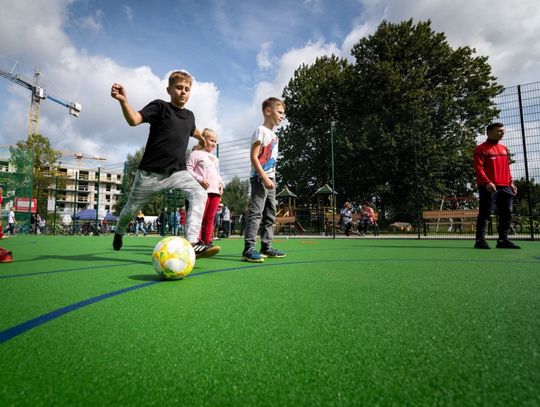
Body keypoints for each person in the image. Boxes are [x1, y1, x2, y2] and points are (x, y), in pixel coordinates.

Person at [110, 70, 219, 258]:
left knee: (199, 192)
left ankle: (192, 242)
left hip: (177, 173)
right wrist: (123, 101)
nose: (183, 92)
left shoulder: (190, 116)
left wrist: (204, 140)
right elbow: (134, 120)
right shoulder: (160, 107)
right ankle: (119, 231)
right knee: (131, 210)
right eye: (179, 88)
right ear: (169, 90)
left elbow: (195, 131)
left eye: (187, 89)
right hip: (149, 174)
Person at [242, 97, 286, 262]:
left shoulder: (275, 136)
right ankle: (249, 248)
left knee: (270, 214)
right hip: (260, 179)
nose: (282, 116)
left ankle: (266, 247)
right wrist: (264, 177)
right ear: (268, 111)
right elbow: (254, 157)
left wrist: (271, 178)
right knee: (257, 213)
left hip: (270, 179)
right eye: (280, 112)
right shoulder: (260, 131)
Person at [473, 122, 520, 249]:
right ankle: (480, 240)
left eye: (503, 130)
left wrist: (511, 183)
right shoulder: (481, 149)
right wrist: (487, 182)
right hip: (488, 186)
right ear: (489, 132)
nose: (502, 132)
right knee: (486, 212)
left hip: (506, 186)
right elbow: (479, 168)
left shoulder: (504, 149)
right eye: (499, 131)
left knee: (507, 213)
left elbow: (507, 168)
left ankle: (503, 240)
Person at [187, 128, 224, 245]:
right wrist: (200, 180)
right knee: (198, 217)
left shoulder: (215, 159)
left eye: (215, 141)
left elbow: (218, 174)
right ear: (203, 139)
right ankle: (196, 242)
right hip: (202, 192)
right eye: (211, 140)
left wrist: (221, 184)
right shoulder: (195, 154)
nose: (213, 144)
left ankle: (207, 242)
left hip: (215, 193)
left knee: (210, 218)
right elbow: (187, 169)